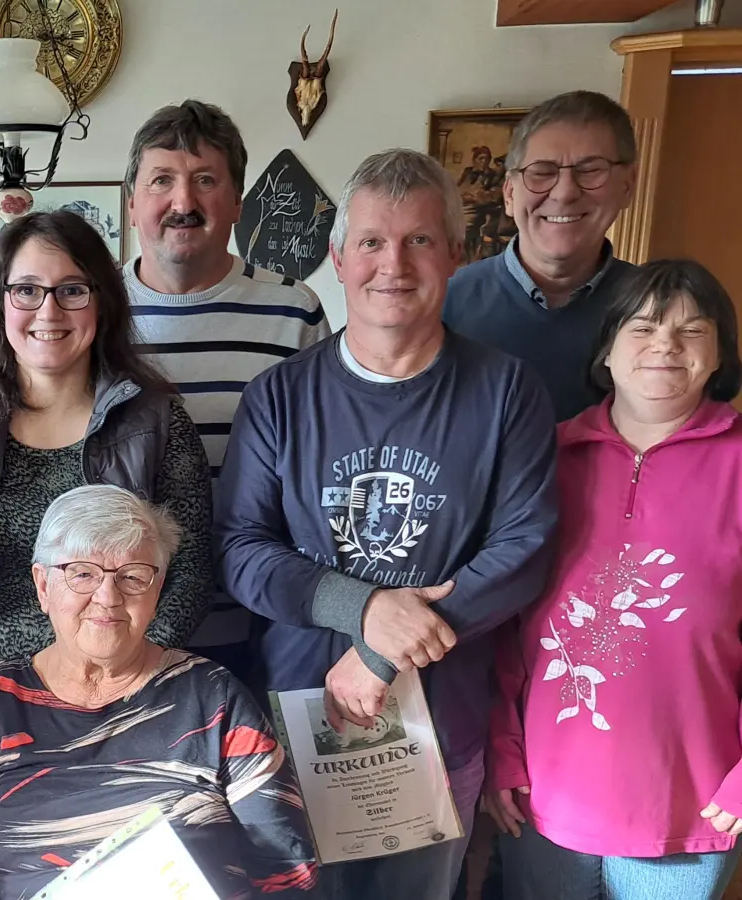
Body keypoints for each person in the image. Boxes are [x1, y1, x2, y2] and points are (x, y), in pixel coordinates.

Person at [214, 149, 558, 900]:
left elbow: (525, 551)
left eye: (420, 240)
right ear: (338, 258)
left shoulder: (506, 392)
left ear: (457, 256)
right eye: (371, 241)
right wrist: (364, 607)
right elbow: (239, 551)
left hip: (442, 727)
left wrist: (379, 652)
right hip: (300, 723)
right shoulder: (278, 397)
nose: (392, 263)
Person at [0, 210, 212, 714]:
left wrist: (124, 681)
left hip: (122, 705)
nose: (48, 312)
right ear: (0, 302)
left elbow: (194, 567)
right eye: (27, 290)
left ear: (102, 302)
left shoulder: (157, 422)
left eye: (71, 290)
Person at [0, 485, 318, 899]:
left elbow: (287, 867)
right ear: (43, 586)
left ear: (157, 590)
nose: (108, 597)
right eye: (83, 573)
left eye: (132, 577)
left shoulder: (214, 697)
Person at [485, 260, 742, 900]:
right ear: (606, 349)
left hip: (694, 807)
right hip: (543, 799)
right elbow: (499, 620)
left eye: (693, 330)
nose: (665, 344)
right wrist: (500, 748)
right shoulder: (541, 459)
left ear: (719, 355)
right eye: (645, 326)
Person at [121, 100, 330, 680]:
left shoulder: (294, 311)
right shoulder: (88, 308)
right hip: (123, 631)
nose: (183, 203)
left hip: (262, 626)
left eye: (205, 181)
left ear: (238, 200)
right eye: (161, 180)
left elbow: (320, 471)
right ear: (132, 199)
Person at [444, 91, 640, 421]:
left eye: (590, 169)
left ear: (627, 185)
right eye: (542, 171)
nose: (564, 192)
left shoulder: (661, 310)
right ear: (509, 193)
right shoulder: (444, 303)